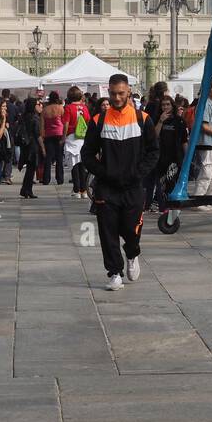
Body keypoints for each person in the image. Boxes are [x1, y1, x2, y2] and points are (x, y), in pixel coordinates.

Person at [81, 73, 158, 291]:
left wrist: (139, 173)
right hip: (107, 188)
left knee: (131, 230)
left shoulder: (143, 119)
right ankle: (114, 272)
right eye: (113, 93)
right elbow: (87, 154)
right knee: (107, 231)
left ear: (129, 93)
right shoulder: (99, 121)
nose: (116, 98)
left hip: (133, 187)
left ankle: (132, 253)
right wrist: (103, 173)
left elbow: (154, 152)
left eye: (121, 93)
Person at [151, 93, 188, 210]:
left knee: (171, 179)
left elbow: (184, 140)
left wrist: (187, 157)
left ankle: (171, 203)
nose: (165, 107)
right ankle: (161, 203)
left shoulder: (179, 121)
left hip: (175, 156)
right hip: (160, 156)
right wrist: (161, 121)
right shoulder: (157, 118)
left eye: (168, 104)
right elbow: (154, 136)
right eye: (163, 105)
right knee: (161, 182)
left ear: (172, 105)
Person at [191, 81, 212, 201]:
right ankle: (198, 199)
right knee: (207, 172)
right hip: (206, 142)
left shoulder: (210, 105)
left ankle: (211, 199)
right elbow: (204, 126)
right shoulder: (203, 104)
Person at [62, 86, 91, 198]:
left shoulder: (68, 108)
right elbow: (88, 121)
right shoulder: (84, 107)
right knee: (82, 164)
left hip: (72, 136)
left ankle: (76, 189)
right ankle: (84, 190)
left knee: (73, 164)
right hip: (83, 136)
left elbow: (66, 124)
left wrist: (63, 137)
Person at [18, 96, 45, 199]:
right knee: (31, 169)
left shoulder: (24, 116)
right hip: (33, 146)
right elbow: (37, 134)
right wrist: (43, 148)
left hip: (25, 145)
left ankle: (26, 189)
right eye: (39, 104)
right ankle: (27, 190)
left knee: (30, 169)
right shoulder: (34, 118)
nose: (41, 106)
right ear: (34, 106)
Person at [41, 91, 65, 186]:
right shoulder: (61, 108)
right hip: (59, 133)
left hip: (48, 134)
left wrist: (42, 136)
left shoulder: (45, 110)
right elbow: (64, 122)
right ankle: (60, 178)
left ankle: (46, 179)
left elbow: (42, 125)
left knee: (48, 157)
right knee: (59, 157)